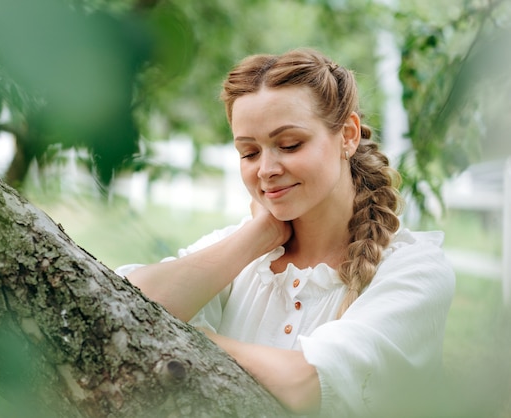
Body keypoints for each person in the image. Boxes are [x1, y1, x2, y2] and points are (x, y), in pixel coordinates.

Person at [116, 48, 455, 417]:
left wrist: (194, 338)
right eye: (249, 153)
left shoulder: (414, 270)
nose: (266, 169)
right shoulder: (239, 252)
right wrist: (261, 232)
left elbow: (310, 384)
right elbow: (125, 305)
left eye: (289, 144)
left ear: (348, 135)